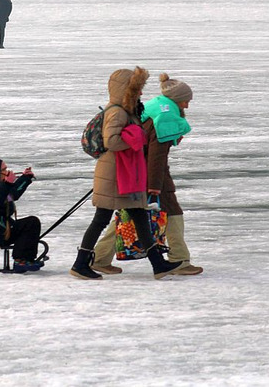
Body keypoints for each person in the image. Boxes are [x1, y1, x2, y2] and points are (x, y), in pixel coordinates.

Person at [71, 67, 184, 280]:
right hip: (114, 175)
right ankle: (79, 264)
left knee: (140, 218)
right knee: (101, 219)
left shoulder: (126, 111)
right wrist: (136, 139)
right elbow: (111, 141)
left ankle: (158, 265)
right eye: (138, 89)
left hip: (124, 174)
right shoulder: (117, 111)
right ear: (126, 90)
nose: (141, 93)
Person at [92, 74, 203, 276]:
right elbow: (156, 155)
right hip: (149, 174)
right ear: (177, 99)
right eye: (186, 100)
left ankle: (99, 257)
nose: (187, 106)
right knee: (171, 212)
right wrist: (155, 185)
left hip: (136, 170)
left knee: (132, 215)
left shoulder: (155, 108)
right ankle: (180, 260)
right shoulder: (166, 117)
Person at [0, 156, 42, 272]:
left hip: (2, 229)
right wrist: (7, 183)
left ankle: (26, 258)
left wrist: (25, 178)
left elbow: (12, 194)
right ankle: (20, 260)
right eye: (3, 170)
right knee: (30, 223)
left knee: (31, 223)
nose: (7, 172)